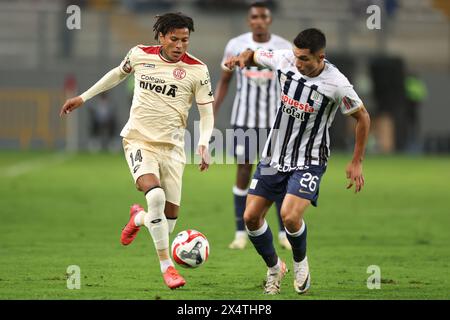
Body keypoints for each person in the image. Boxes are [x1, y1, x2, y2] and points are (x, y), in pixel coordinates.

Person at [60, 13, 214, 290]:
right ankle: (168, 269)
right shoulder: (140, 55)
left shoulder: (198, 70)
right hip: (139, 140)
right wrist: (83, 97)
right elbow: (117, 74)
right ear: (161, 36)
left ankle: (138, 218)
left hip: (173, 149)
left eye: (185, 40)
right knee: (154, 195)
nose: (180, 45)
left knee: (166, 226)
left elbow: (207, 112)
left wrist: (203, 142)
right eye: (174, 39)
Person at [224, 28, 370, 294]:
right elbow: (253, 54)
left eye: (304, 59)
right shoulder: (284, 59)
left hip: (310, 159)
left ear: (320, 57)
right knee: (251, 217)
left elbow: (363, 117)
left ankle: (300, 262)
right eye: (296, 56)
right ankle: (273, 268)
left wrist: (357, 160)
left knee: (289, 217)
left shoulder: (337, 83)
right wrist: (242, 58)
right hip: (273, 155)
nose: (298, 63)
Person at [214, 1, 292, 250]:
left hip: (274, 122)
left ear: (269, 20)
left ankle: (283, 233)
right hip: (244, 120)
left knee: (276, 174)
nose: (258, 20)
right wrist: (212, 111)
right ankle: (240, 233)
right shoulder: (235, 45)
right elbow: (225, 80)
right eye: (254, 17)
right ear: (249, 21)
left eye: (263, 16)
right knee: (244, 172)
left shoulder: (283, 47)